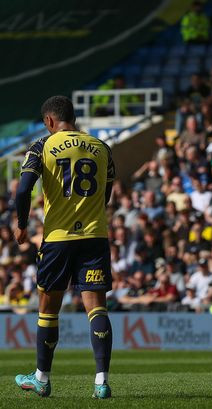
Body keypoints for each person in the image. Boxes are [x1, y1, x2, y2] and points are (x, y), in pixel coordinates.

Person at [14, 96, 115, 398]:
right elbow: (106, 193)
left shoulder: (41, 146)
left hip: (58, 239)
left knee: (48, 310)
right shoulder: (101, 148)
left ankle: (42, 378)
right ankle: (101, 382)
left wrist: (20, 224)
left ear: (49, 121)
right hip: (95, 237)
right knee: (96, 308)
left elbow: (22, 190)